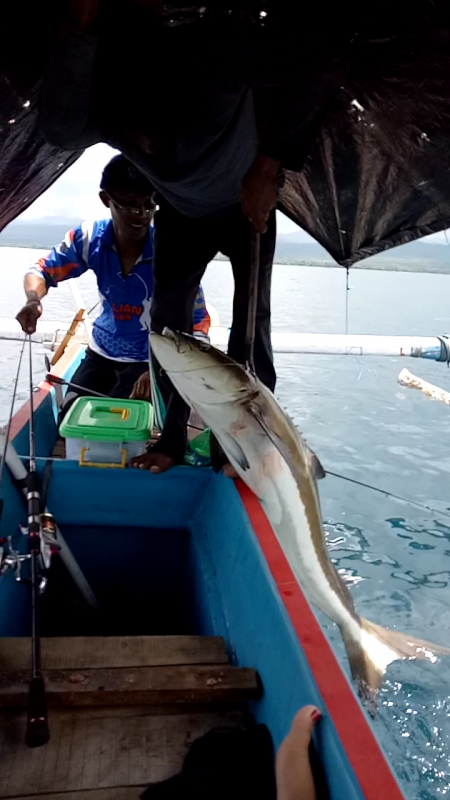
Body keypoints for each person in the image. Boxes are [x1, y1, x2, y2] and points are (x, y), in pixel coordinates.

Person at [15, 154, 210, 416]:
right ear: (106, 200)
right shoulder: (88, 239)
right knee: (71, 415)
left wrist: (162, 370)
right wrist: (33, 300)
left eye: (148, 205)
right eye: (128, 205)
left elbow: (197, 323)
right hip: (101, 353)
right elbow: (41, 270)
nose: (140, 214)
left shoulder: (171, 251)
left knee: (120, 419)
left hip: (149, 361)